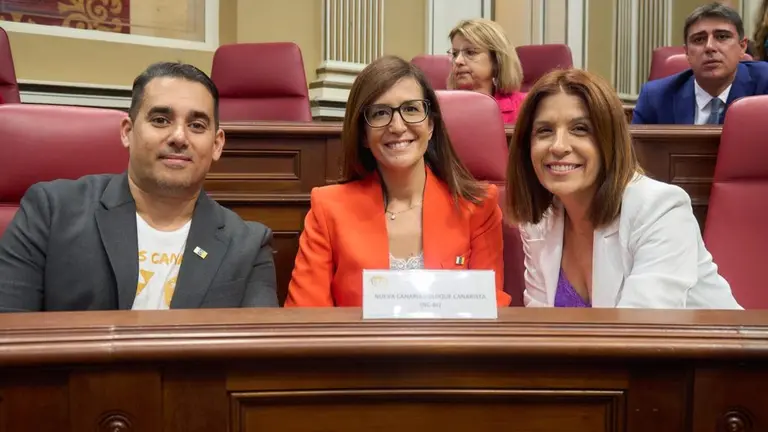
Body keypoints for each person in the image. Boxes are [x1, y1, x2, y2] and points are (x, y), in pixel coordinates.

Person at [0, 62, 278, 312]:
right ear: (127, 132)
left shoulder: (247, 245)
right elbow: (9, 334)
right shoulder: (52, 211)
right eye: (160, 120)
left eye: (196, 125)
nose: (179, 137)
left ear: (217, 144)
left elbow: (257, 360)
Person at [506, 68, 742, 309]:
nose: (558, 146)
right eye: (545, 131)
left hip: (713, 346)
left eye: (580, 129)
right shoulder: (538, 222)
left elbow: (640, 334)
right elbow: (541, 326)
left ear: (610, 139)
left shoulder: (659, 209)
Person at [285, 55, 510, 307]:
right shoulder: (329, 209)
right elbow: (306, 315)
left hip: (451, 346)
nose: (397, 126)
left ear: (431, 124)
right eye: (380, 113)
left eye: (411, 109)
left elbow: (489, 314)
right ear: (363, 134)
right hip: (357, 347)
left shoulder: (478, 207)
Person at [633, 2, 768, 125]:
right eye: (699, 40)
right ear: (686, 52)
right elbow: (637, 150)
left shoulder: (764, 84)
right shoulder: (655, 98)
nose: (709, 47)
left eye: (722, 37)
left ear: (742, 46)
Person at [448, 18, 527, 124]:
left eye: (470, 52)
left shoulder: (525, 106)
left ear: (496, 60)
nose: (458, 61)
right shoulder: (442, 108)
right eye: (455, 54)